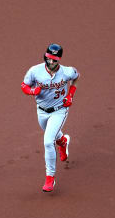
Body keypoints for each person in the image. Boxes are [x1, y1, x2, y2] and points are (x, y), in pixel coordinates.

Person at [21, 43, 80, 192]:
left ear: (59, 60)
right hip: (41, 111)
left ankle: (50, 178)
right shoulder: (35, 71)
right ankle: (63, 141)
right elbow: (24, 86)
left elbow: (77, 76)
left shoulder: (66, 72)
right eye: (49, 59)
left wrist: (70, 95)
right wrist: (33, 91)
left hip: (59, 110)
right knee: (51, 134)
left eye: (54, 60)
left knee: (48, 142)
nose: (51, 62)